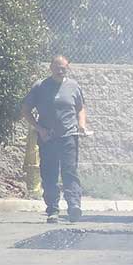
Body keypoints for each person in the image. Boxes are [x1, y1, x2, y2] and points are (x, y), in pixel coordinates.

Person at [21, 56, 89, 223]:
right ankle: (53, 210)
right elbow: (25, 110)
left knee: (70, 171)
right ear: (51, 67)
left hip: (69, 137)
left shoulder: (73, 86)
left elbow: (80, 108)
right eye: (57, 67)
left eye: (63, 67)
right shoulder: (40, 86)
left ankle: (74, 207)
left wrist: (81, 124)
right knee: (49, 174)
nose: (60, 70)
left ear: (67, 68)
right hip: (48, 138)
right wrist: (39, 129)